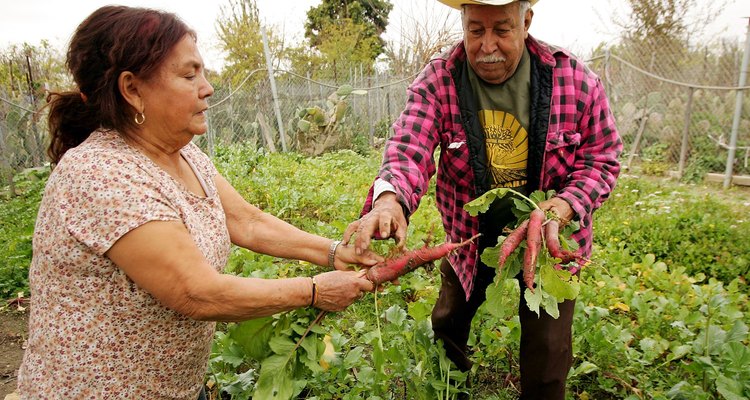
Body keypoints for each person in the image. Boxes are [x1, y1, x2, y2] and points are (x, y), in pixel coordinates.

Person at [16, 6, 381, 399]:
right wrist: (314, 290)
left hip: (175, 388)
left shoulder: (183, 155)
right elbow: (196, 292)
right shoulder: (102, 174)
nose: (207, 87)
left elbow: (247, 222)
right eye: (189, 75)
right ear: (132, 89)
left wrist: (333, 253)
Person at [344, 0, 622, 398]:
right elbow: (409, 148)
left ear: (525, 22)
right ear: (462, 23)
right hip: (470, 235)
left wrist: (562, 206)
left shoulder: (576, 81)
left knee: (548, 350)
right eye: (475, 30)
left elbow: (603, 158)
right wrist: (389, 201)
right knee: (448, 322)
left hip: (548, 242)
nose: (486, 45)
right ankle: (450, 388)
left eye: (502, 30)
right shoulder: (439, 80)